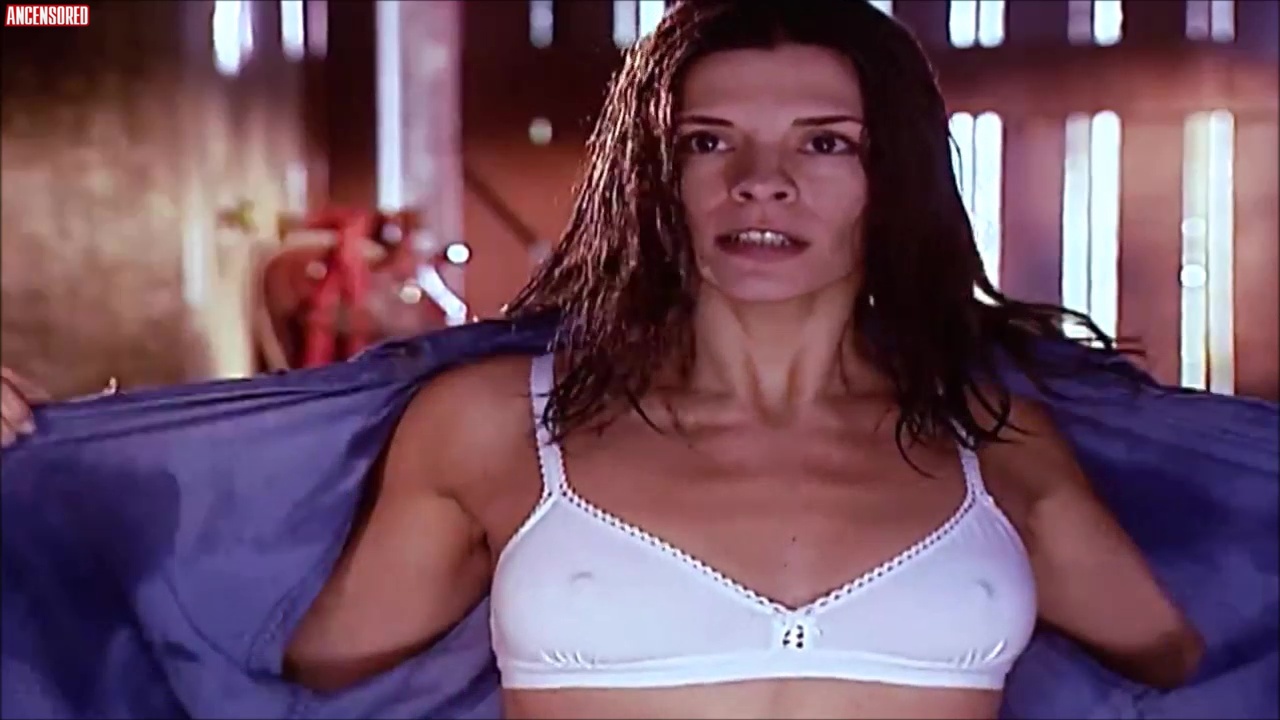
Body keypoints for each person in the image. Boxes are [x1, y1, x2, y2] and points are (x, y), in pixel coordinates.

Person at [4, 2, 1275, 719]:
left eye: (824, 143)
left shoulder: (992, 436)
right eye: (706, 141)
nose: (760, 180)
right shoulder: (493, 427)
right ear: (651, 179)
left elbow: (1196, 664)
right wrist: (42, 474)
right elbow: (268, 679)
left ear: (889, 180)